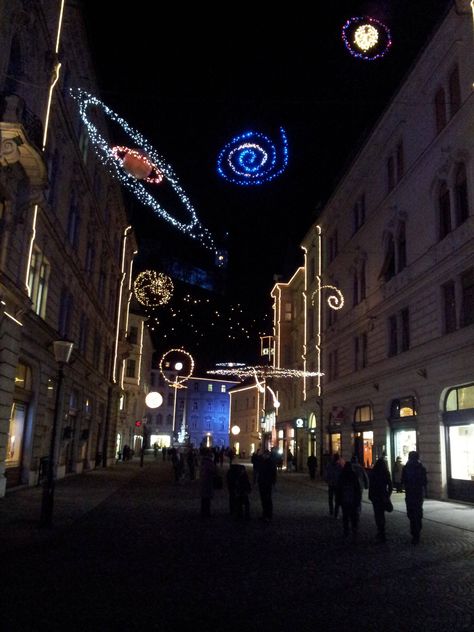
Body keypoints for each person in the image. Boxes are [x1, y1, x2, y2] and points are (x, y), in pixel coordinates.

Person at [401, 450, 428, 544]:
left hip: (410, 494)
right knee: (418, 512)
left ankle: (414, 533)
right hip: (418, 494)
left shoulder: (406, 468)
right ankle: (417, 532)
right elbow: (425, 482)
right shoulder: (421, 468)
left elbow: (403, 481)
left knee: (411, 513)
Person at [368, 457, 393, 543]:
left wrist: (370, 495)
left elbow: (371, 485)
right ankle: (382, 531)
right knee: (381, 514)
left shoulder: (374, 473)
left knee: (378, 514)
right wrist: (388, 495)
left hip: (376, 496)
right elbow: (390, 486)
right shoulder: (386, 473)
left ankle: (380, 531)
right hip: (382, 495)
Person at [336, 461, 362, 541]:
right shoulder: (354, 475)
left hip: (345, 500)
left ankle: (346, 531)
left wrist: (338, 499)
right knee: (353, 516)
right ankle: (354, 532)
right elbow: (358, 489)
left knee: (346, 516)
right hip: (353, 500)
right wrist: (358, 500)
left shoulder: (342, 475)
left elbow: (339, 489)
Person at [257, 449, 277, 523]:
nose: (263, 456)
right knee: (263, 500)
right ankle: (264, 514)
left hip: (267, 483)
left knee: (267, 500)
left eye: (265, 455)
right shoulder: (262, 461)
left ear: (267, 455)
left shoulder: (270, 462)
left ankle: (269, 515)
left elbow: (273, 474)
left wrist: (273, 482)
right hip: (262, 483)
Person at [199, 448, 217, 518]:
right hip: (207, 482)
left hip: (204, 482)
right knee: (207, 498)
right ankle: (206, 513)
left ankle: (203, 512)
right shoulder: (208, 462)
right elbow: (213, 471)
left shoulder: (203, 461)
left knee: (204, 498)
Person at [325, 453, 342, 518]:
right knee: (337, 499)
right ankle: (336, 513)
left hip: (331, 483)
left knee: (331, 498)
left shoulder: (329, 465)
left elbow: (327, 474)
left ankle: (331, 511)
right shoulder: (339, 465)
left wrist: (327, 480)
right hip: (337, 484)